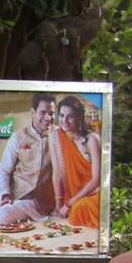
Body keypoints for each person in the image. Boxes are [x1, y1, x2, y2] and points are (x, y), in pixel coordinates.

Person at [0, 93, 58, 227]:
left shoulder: (58, 136)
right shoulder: (19, 136)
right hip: (13, 190)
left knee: (0, 218)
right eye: (43, 112)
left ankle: (2, 211)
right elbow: (3, 170)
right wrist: (5, 195)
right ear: (33, 112)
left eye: (52, 113)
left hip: (34, 199)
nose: (48, 118)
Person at [50, 95, 101, 229]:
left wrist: (69, 204)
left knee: (81, 207)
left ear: (79, 117)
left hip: (93, 193)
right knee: (77, 208)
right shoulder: (55, 137)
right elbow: (57, 173)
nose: (64, 121)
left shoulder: (91, 140)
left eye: (70, 116)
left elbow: (96, 180)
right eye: (61, 116)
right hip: (72, 195)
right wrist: (58, 205)